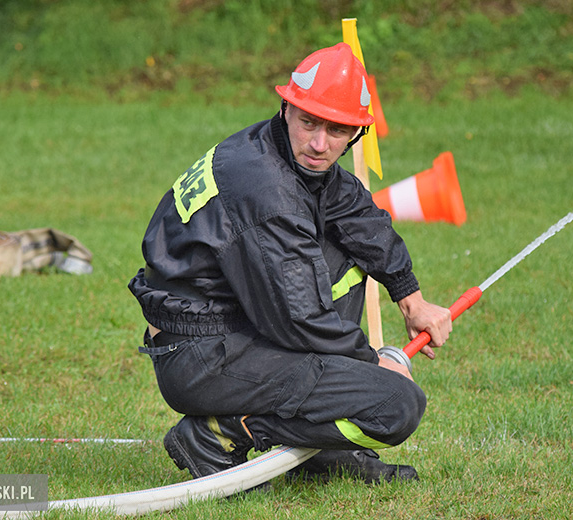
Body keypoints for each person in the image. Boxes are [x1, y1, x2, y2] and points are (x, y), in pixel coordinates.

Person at [129, 42, 452, 486]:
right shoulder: (266, 189)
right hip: (203, 357)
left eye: (337, 131)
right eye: (309, 123)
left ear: (356, 134)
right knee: (396, 404)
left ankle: (317, 455)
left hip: (229, 330)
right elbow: (299, 317)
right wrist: (373, 363)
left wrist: (410, 299)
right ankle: (216, 436)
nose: (319, 144)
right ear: (286, 108)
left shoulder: (282, 152)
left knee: (348, 253)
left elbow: (359, 217)